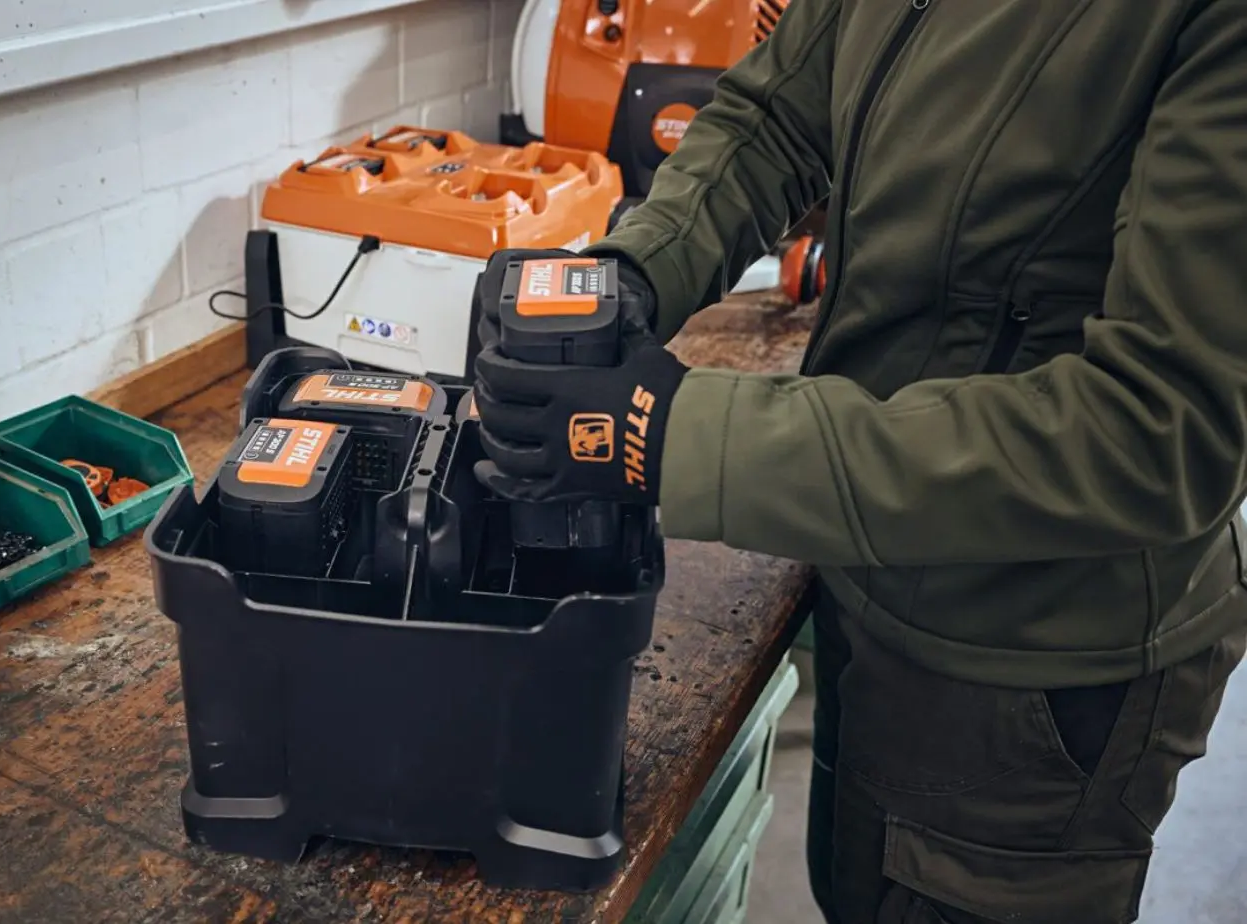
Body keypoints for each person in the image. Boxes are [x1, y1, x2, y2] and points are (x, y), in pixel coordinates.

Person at [469, 1, 1247, 921]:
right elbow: (779, 114)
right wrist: (635, 272)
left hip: (1036, 663)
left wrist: (676, 435)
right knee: (855, 891)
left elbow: (1159, 429)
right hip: (870, 561)